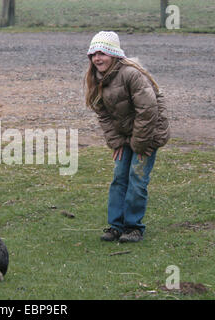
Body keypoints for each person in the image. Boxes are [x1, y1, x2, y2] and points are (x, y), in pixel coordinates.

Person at [84, 31, 170, 243]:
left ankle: (133, 227)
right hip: (126, 137)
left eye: (102, 53)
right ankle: (116, 226)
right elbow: (102, 114)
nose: (97, 58)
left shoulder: (131, 74)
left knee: (137, 179)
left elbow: (148, 110)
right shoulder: (96, 78)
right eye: (93, 54)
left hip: (148, 135)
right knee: (119, 178)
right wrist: (117, 142)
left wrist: (140, 144)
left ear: (114, 54)